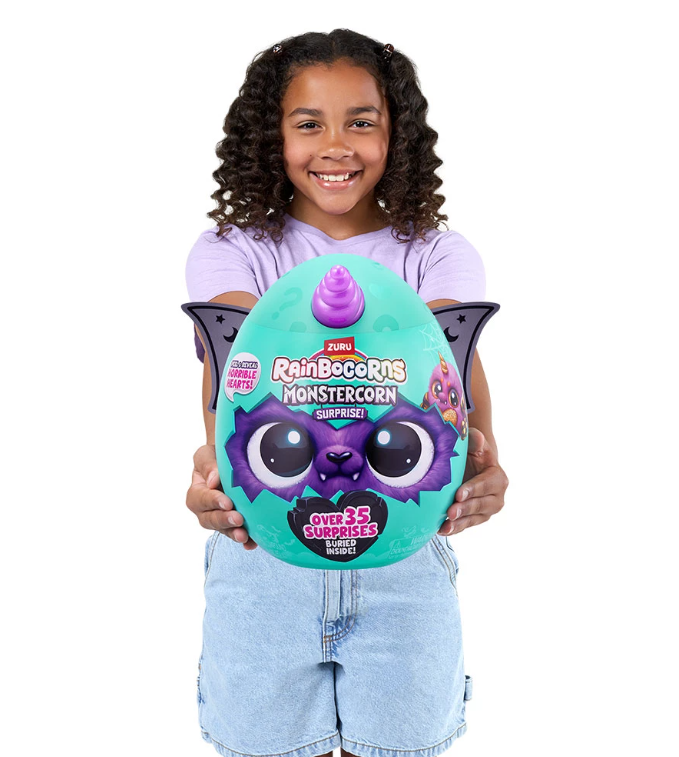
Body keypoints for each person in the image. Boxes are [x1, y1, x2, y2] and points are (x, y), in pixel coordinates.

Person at [184, 30, 508, 757]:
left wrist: (484, 467)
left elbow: (452, 382)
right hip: (262, 557)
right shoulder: (234, 250)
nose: (335, 146)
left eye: (361, 121)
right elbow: (232, 383)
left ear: (398, 135)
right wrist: (213, 470)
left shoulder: (437, 253)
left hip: (404, 557)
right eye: (309, 123)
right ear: (271, 136)